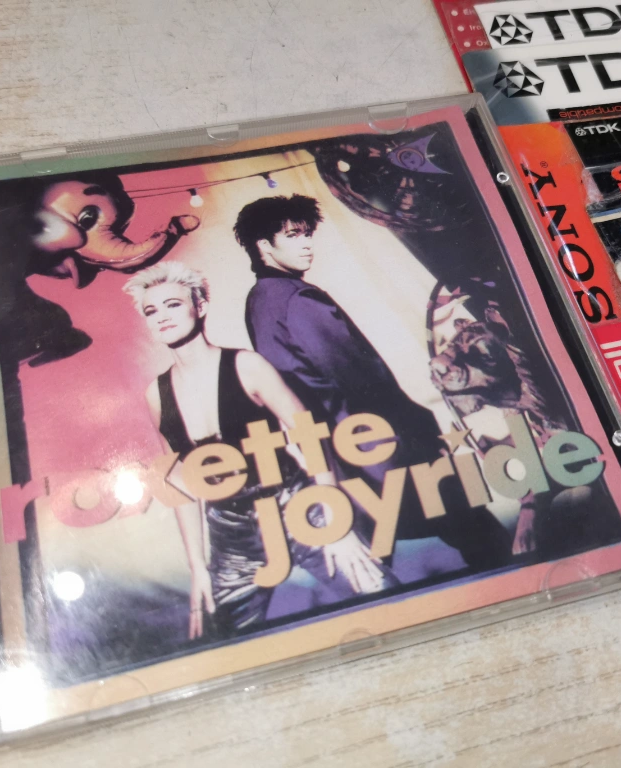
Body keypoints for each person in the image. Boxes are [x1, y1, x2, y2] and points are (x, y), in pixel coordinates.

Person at [236, 195, 515, 570]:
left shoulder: (258, 301)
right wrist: (418, 421)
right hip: (380, 441)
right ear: (264, 245)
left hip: (338, 449)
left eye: (307, 234)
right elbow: (359, 378)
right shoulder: (299, 299)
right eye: (293, 235)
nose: (306, 244)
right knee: (476, 531)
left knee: (386, 550)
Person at [123, 262, 390, 640]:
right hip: (231, 533)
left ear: (200, 306)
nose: (162, 317)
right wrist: (198, 567)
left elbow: (309, 436)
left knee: (382, 594)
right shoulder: (155, 394)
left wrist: (336, 520)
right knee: (217, 639)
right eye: (151, 311)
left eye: (173, 304)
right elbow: (179, 486)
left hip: (297, 507)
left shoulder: (247, 366)